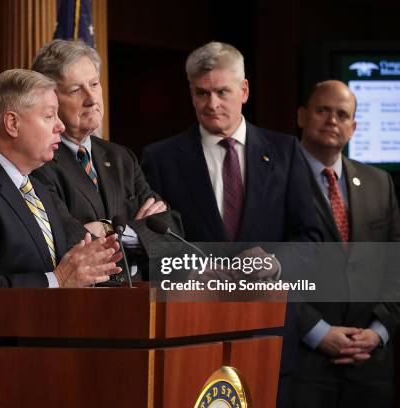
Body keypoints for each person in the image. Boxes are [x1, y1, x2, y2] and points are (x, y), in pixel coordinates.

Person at [140, 41, 322, 407]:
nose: (212, 104)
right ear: (190, 93)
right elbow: (153, 249)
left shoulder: (285, 151)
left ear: (244, 90)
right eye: (201, 93)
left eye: (222, 92)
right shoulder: (159, 158)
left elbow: (312, 238)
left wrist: (277, 262)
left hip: (269, 331)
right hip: (193, 332)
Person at [0, 69, 123, 407]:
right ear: (13, 123)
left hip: (44, 375)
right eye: (49, 116)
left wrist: (85, 279)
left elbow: (63, 275)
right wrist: (58, 279)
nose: (61, 125)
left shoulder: (38, 188)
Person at [31, 39, 182, 282]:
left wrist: (107, 228)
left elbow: (172, 230)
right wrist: (139, 231)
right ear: (51, 99)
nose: (91, 98)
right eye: (76, 90)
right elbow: (68, 243)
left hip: (138, 303)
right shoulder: (39, 162)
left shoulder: (121, 156)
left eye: (94, 84)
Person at [294, 80, 400, 407]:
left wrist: (379, 330)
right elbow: (265, 271)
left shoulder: (380, 182)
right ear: (302, 116)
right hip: (303, 364)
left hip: (371, 366)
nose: (332, 120)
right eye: (323, 110)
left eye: (342, 114)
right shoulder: (275, 179)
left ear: (353, 128)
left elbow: (395, 265)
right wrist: (317, 331)